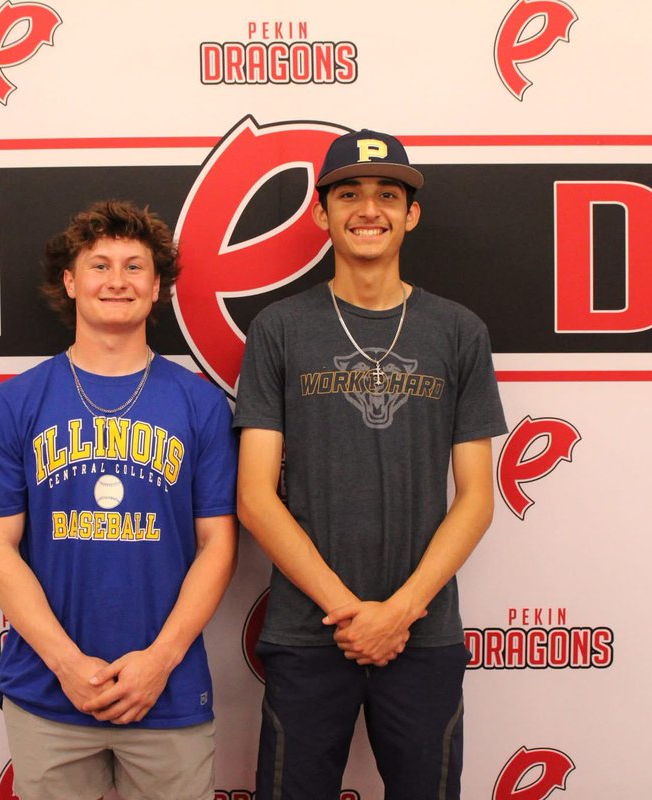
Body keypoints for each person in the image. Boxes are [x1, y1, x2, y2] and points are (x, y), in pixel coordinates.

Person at [233, 129, 508, 799]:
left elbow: (477, 498)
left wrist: (399, 613)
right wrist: (349, 612)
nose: (368, 209)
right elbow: (255, 497)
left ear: (411, 214)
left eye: (388, 195)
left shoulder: (458, 331)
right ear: (321, 213)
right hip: (308, 632)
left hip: (422, 633)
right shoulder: (279, 329)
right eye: (349, 193)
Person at [0, 200, 238, 800]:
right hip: (48, 690)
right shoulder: (14, 403)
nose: (118, 280)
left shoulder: (199, 404)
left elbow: (219, 544)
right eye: (100, 265)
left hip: (168, 693)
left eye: (135, 266)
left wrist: (159, 661)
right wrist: (67, 663)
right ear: (70, 281)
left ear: (157, 286)